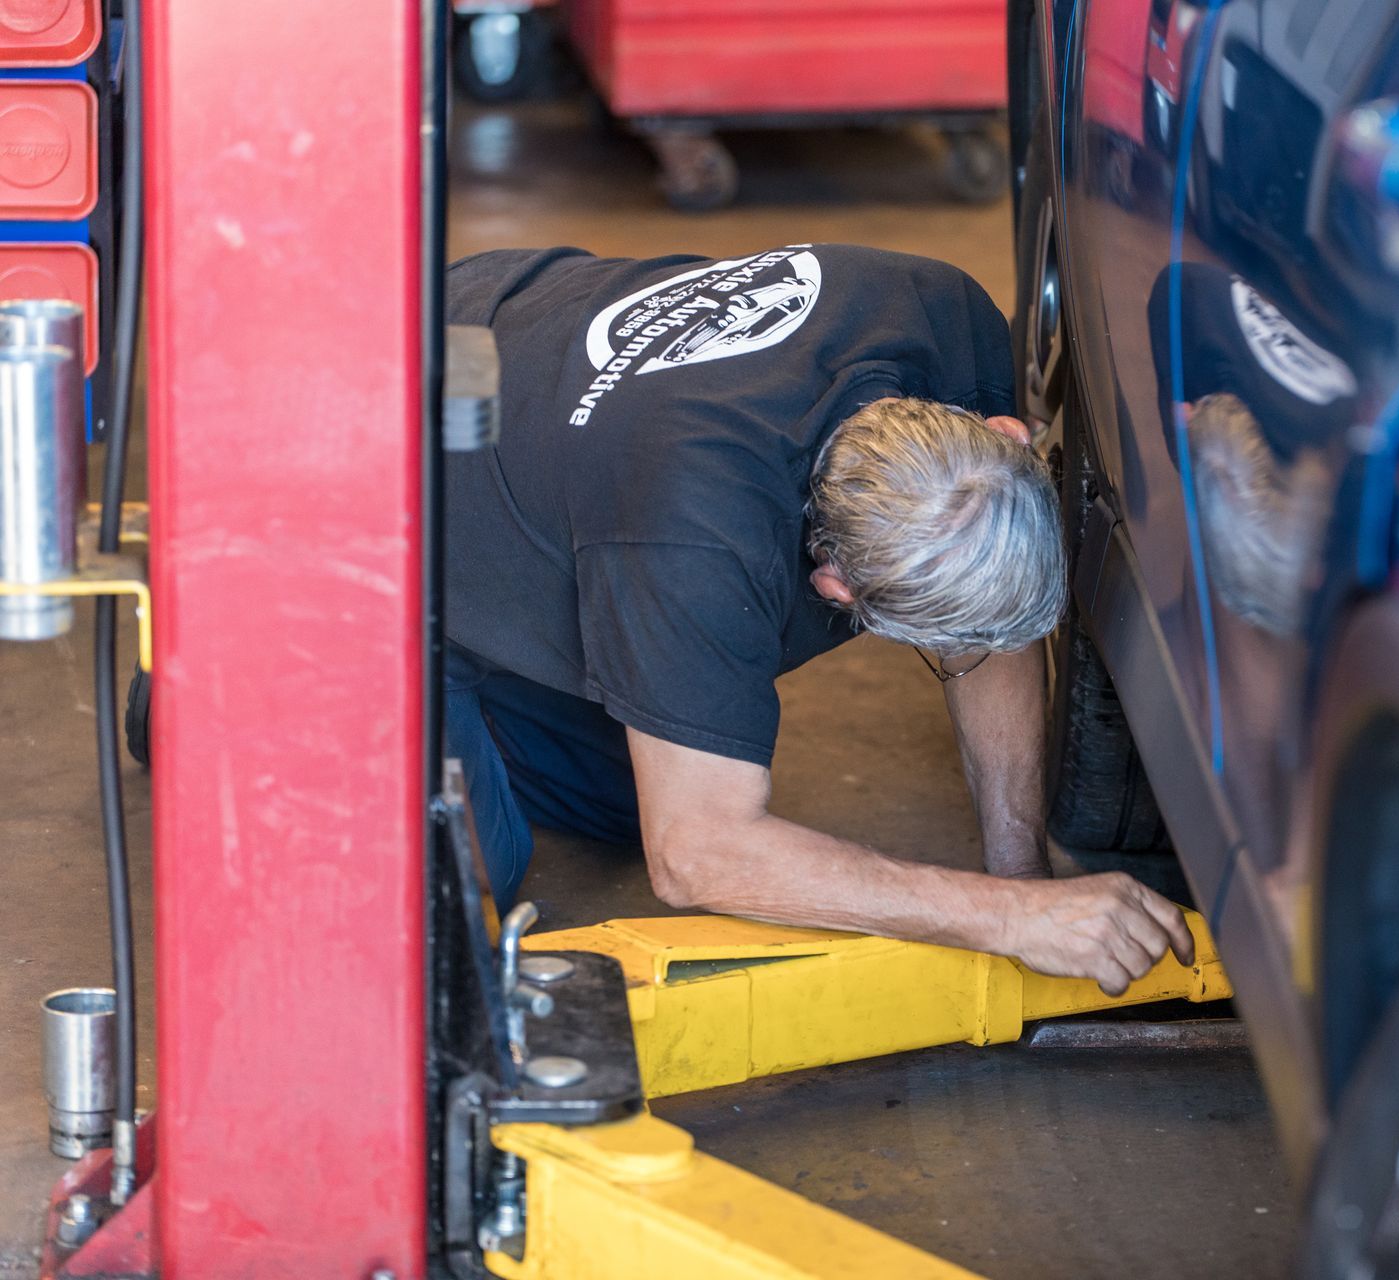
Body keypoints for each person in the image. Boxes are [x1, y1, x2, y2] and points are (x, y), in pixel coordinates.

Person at [443, 243, 1193, 995]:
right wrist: (1003, 918)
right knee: (469, 894)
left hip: (520, 354)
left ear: (1004, 434)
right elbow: (696, 853)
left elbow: (989, 626)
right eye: (946, 646)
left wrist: (1024, 879)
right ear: (835, 587)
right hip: (385, 478)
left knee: (623, 795)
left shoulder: (941, 317)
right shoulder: (691, 540)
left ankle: (505, 657)